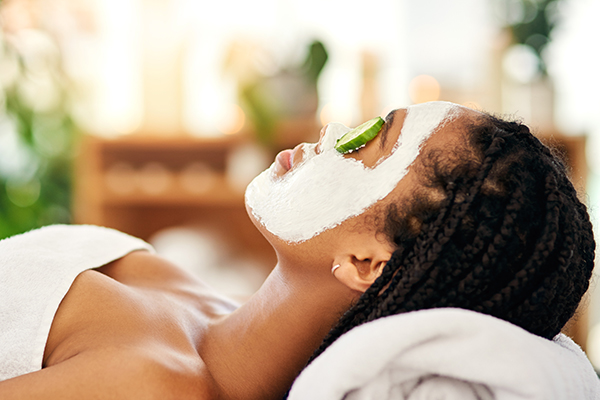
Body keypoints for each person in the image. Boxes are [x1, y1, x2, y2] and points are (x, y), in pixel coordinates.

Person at [0, 101, 595, 399]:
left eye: (367, 144)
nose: (332, 135)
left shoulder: (150, 384)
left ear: (366, 262)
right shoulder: (204, 299)